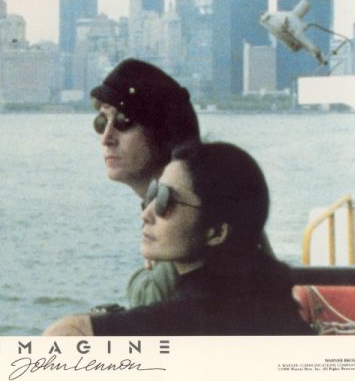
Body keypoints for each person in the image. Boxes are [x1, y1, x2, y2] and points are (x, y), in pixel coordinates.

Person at [44, 142, 314, 335]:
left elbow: (68, 334)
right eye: (153, 194)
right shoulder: (265, 294)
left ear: (216, 232)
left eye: (166, 201)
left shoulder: (202, 313)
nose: (146, 214)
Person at [89, 58, 200, 307]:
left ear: (162, 132)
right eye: (101, 122)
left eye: (122, 122)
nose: (106, 138)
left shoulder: (188, 205)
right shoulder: (192, 189)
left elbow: (151, 301)